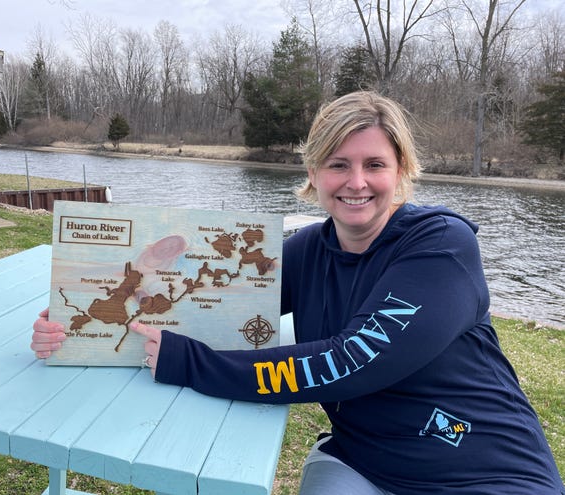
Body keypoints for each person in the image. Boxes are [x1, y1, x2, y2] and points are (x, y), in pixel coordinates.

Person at [32, 91, 564, 494]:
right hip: (363, 460)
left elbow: (350, 360)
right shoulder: (308, 248)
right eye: (338, 164)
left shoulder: (441, 246)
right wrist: (78, 321)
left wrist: (193, 364)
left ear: (400, 172)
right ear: (313, 174)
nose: (356, 181)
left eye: (374, 164)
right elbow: (203, 295)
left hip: (485, 469)